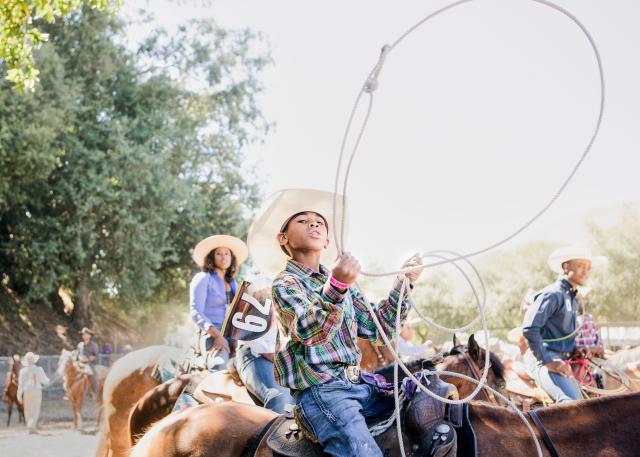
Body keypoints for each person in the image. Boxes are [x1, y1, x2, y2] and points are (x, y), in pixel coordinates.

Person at [248, 188, 424, 457]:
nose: (314, 223)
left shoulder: (343, 286)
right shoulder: (285, 284)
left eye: (319, 222)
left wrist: (404, 282)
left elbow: (379, 327)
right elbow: (310, 331)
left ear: (327, 242)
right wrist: (338, 285)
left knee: (429, 401)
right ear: (283, 238)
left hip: (359, 385)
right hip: (322, 392)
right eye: (302, 220)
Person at [522, 245, 606, 403]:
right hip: (542, 358)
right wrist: (548, 361)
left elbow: (560, 335)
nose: (586, 272)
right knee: (573, 406)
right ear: (566, 267)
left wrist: (575, 349)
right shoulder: (553, 294)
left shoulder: (572, 298)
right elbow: (529, 328)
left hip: (563, 357)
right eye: (581, 266)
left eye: (588, 268)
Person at [234, 278, 295, 414]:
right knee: (281, 399)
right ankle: (278, 433)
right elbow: (254, 339)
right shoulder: (262, 284)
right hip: (255, 355)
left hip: (283, 358)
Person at [190, 234, 248, 371]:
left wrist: (236, 338)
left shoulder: (233, 283)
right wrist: (218, 336)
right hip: (211, 334)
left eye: (227, 253)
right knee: (219, 365)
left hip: (232, 336)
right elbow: (195, 311)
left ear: (231, 257)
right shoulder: (203, 278)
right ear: (212, 257)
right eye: (219, 254)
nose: (224, 257)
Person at [17, 352, 50, 434]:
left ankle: (30, 426)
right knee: (36, 409)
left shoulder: (23, 371)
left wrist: (19, 395)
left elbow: (20, 384)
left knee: (27, 409)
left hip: (27, 390)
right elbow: (44, 380)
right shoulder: (39, 369)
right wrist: (49, 381)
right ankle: (32, 425)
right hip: (37, 390)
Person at [75, 327, 99, 399]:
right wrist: (76, 360)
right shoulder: (80, 345)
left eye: (86, 334)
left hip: (89, 363)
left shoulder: (94, 345)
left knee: (92, 374)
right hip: (80, 363)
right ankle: (69, 391)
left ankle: (95, 391)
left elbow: (96, 355)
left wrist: (91, 358)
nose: (84, 336)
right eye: (83, 334)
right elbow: (77, 355)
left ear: (89, 336)